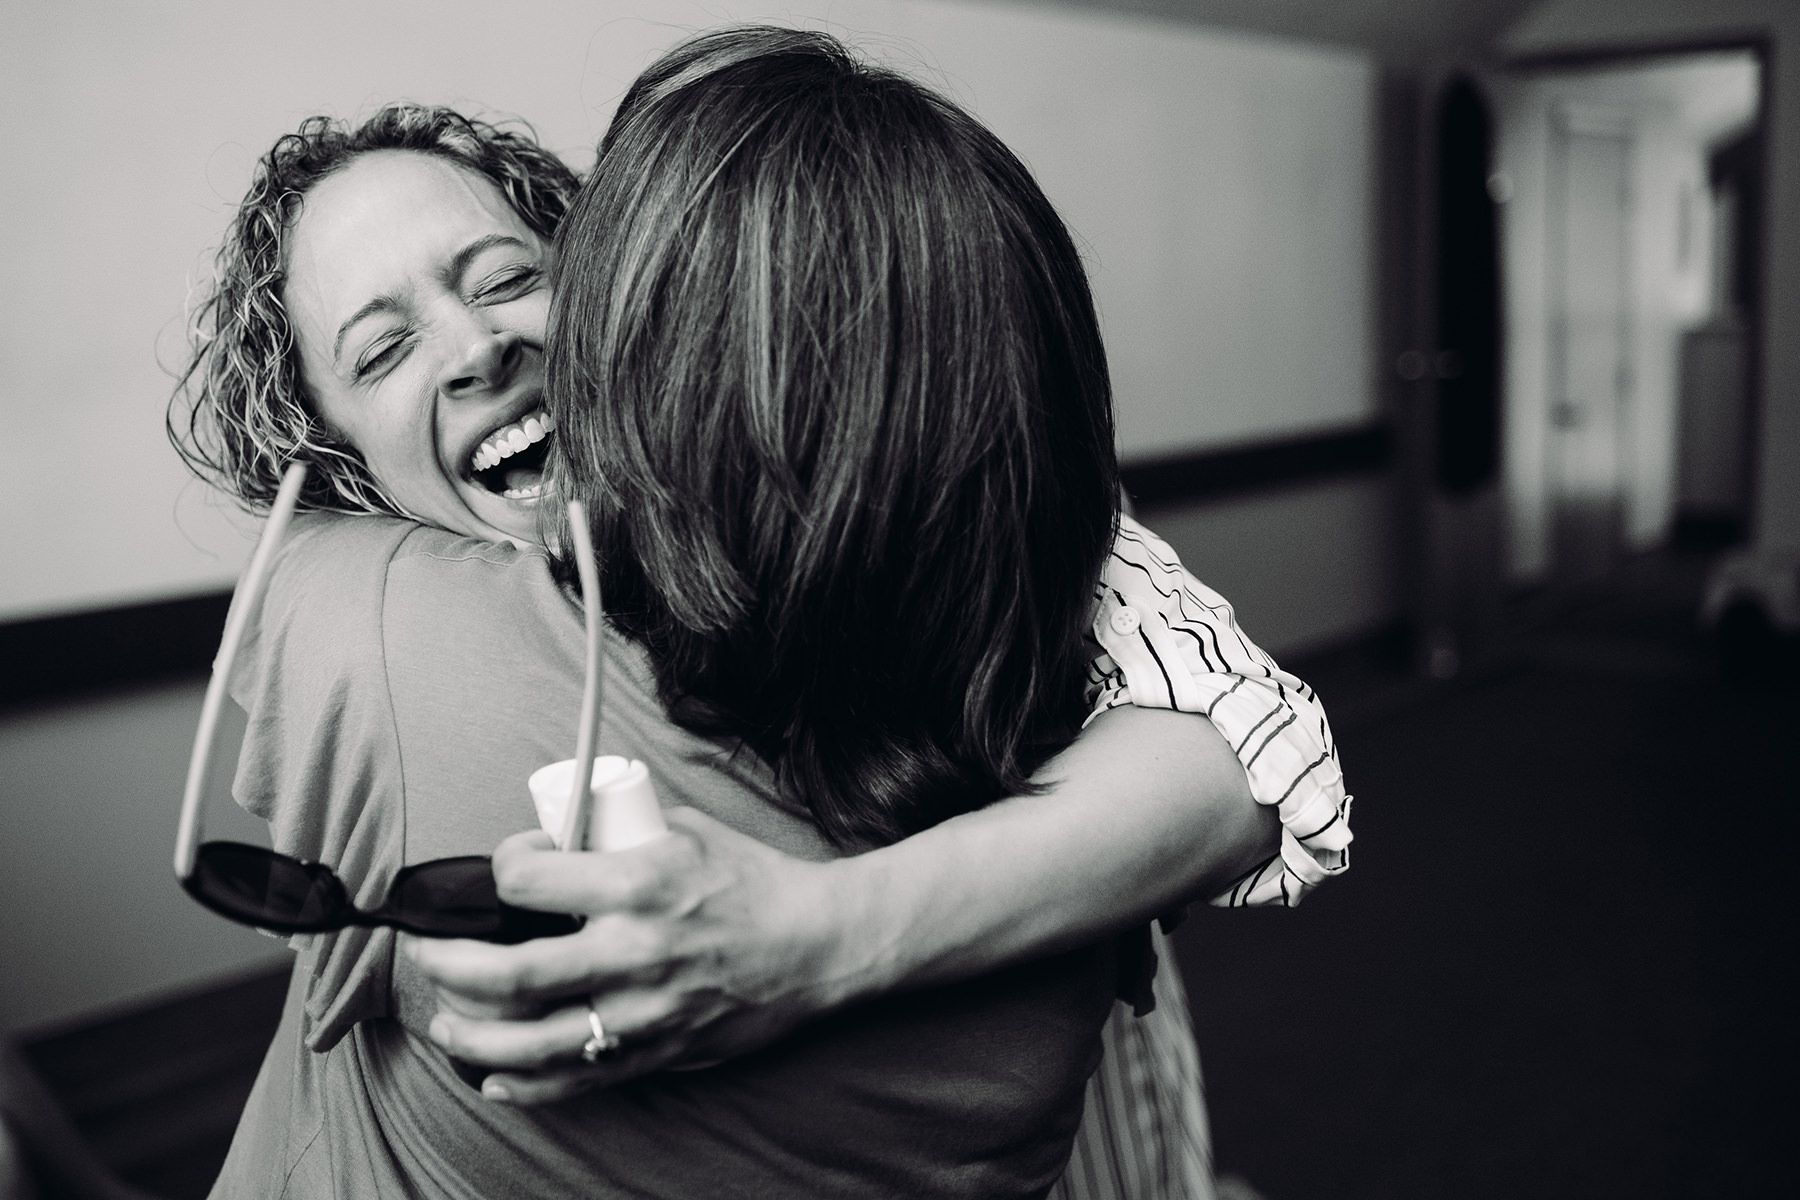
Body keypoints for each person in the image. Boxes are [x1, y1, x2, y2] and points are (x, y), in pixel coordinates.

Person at [170, 31, 1350, 1199]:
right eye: (383, 351)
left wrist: (816, 932)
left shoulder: (894, 498)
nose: (477, 349)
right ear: (339, 471)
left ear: (614, 294)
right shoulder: (362, 612)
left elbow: (1261, 746)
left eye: (508, 279)